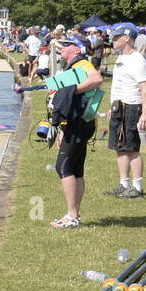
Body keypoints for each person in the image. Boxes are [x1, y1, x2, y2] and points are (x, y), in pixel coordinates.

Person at [48, 35, 105, 229]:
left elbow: (97, 79)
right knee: (76, 168)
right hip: (79, 122)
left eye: (65, 46)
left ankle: (71, 216)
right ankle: (75, 215)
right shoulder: (74, 66)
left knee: (63, 167)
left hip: (79, 123)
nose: (61, 49)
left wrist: (71, 91)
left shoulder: (82, 63)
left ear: (77, 49)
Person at [105, 22, 146, 199]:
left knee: (132, 147)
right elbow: (117, 86)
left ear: (126, 38)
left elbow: (144, 89)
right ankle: (123, 183)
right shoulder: (120, 58)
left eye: (117, 37)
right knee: (119, 146)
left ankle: (137, 187)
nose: (113, 40)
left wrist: (145, 113)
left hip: (132, 107)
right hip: (119, 107)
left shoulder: (137, 60)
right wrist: (112, 106)